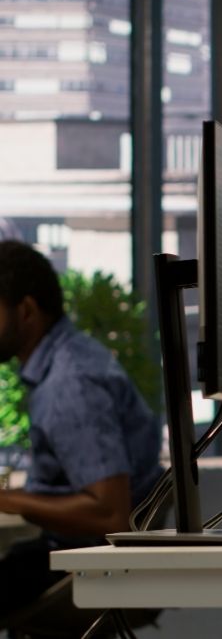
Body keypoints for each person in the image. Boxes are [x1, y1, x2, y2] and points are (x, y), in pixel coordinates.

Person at [0, 240, 163, 618]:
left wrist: (8, 500)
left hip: (88, 563)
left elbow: (110, 515)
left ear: (26, 311)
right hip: (82, 557)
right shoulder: (69, 359)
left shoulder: (69, 383)